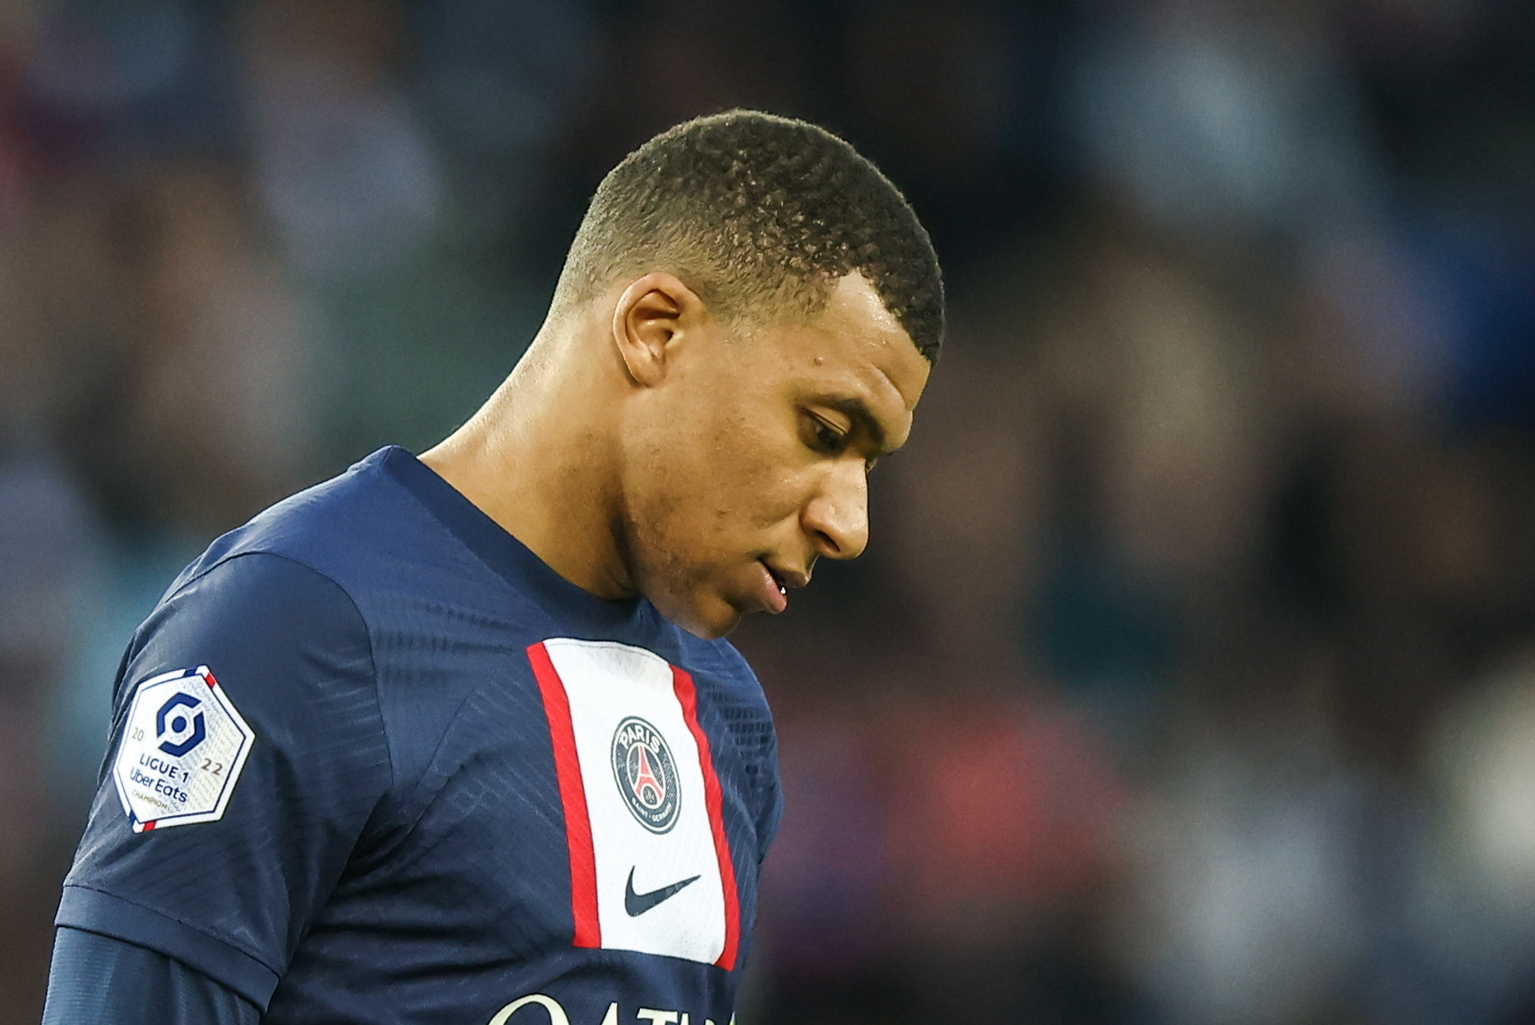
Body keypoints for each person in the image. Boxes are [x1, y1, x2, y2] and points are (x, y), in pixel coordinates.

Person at [41, 109, 943, 1025]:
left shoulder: (726, 712)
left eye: (870, 465)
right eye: (823, 431)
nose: (849, 524)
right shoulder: (297, 626)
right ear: (655, 330)